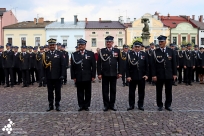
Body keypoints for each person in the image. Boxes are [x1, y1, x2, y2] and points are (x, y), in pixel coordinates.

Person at [151, 35, 177, 111]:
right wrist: (154, 75)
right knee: (159, 91)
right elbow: (153, 64)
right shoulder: (156, 52)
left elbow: (174, 63)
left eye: (162, 41)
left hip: (168, 74)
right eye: (159, 42)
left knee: (168, 90)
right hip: (159, 75)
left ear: (165, 42)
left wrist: (175, 74)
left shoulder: (170, 51)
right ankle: (159, 105)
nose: (160, 43)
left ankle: (168, 105)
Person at [97, 36, 123, 111]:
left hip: (114, 74)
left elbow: (120, 62)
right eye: (107, 42)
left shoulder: (117, 51)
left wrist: (120, 72)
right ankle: (106, 105)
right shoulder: (102, 51)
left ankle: (112, 105)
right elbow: (99, 64)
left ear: (112, 42)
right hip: (105, 74)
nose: (108, 43)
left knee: (113, 90)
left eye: (110, 42)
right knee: (105, 90)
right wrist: (99, 73)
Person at [71, 38, 96, 111]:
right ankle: (81, 105)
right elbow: (72, 66)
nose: (81, 46)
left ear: (85, 45)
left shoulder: (90, 54)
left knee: (88, 91)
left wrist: (93, 76)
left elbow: (93, 66)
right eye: (79, 45)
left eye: (82, 45)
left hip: (88, 76)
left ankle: (87, 105)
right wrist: (73, 76)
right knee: (80, 91)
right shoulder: (74, 54)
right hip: (78, 76)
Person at [43, 38, 64, 112]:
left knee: (58, 91)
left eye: (53, 45)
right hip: (49, 76)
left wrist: (62, 75)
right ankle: (50, 105)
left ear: (55, 45)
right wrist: (43, 76)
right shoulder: (45, 54)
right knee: (50, 91)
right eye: (50, 45)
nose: (52, 46)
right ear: (49, 46)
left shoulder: (60, 53)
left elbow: (62, 65)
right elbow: (43, 66)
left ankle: (57, 104)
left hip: (57, 76)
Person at [126, 41, 149, 111]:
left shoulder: (144, 54)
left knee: (141, 92)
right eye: (135, 47)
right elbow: (127, 67)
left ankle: (140, 105)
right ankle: (131, 105)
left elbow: (147, 66)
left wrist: (147, 75)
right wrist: (128, 76)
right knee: (131, 92)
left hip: (142, 76)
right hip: (132, 76)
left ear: (140, 47)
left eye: (138, 47)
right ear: (133, 47)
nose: (137, 48)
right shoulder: (130, 54)